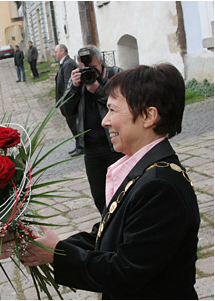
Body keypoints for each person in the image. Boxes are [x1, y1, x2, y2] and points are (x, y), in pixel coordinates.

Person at [21, 63, 200, 299]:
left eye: (113, 111)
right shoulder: (144, 170)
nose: (105, 121)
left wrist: (59, 253)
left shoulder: (160, 186)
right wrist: (50, 246)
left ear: (148, 116)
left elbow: (125, 271)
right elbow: (106, 236)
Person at [61, 45, 123, 214]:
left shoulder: (116, 75)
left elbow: (125, 105)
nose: (88, 72)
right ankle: (108, 229)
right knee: (99, 196)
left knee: (123, 191)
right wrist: (73, 87)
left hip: (117, 144)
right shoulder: (77, 81)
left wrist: (98, 90)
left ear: (101, 61)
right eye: (84, 68)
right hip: (91, 150)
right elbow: (65, 110)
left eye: (93, 68)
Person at [54, 44, 83, 157]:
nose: (55, 54)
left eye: (56, 51)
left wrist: (66, 98)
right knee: (71, 123)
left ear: (63, 51)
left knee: (74, 123)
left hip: (69, 101)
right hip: (64, 101)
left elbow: (68, 83)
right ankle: (78, 144)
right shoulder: (64, 63)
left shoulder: (68, 64)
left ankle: (81, 146)